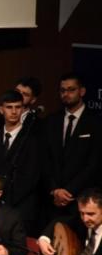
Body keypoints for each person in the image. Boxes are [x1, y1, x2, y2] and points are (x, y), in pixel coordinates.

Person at [0, 90, 41, 236]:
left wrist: (6, 197)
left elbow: (32, 176)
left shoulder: (32, 140)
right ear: (1, 110)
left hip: (20, 205)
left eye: (18, 107)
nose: (14, 112)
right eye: (9, 107)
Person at [43, 73, 102, 218]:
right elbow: (45, 159)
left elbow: (94, 163)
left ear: (82, 91)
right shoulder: (51, 121)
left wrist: (69, 191)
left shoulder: (96, 122)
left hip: (82, 199)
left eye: (71, 90)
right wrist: (55, 190)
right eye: (62, 90)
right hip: (53, 200)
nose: (66, 94)